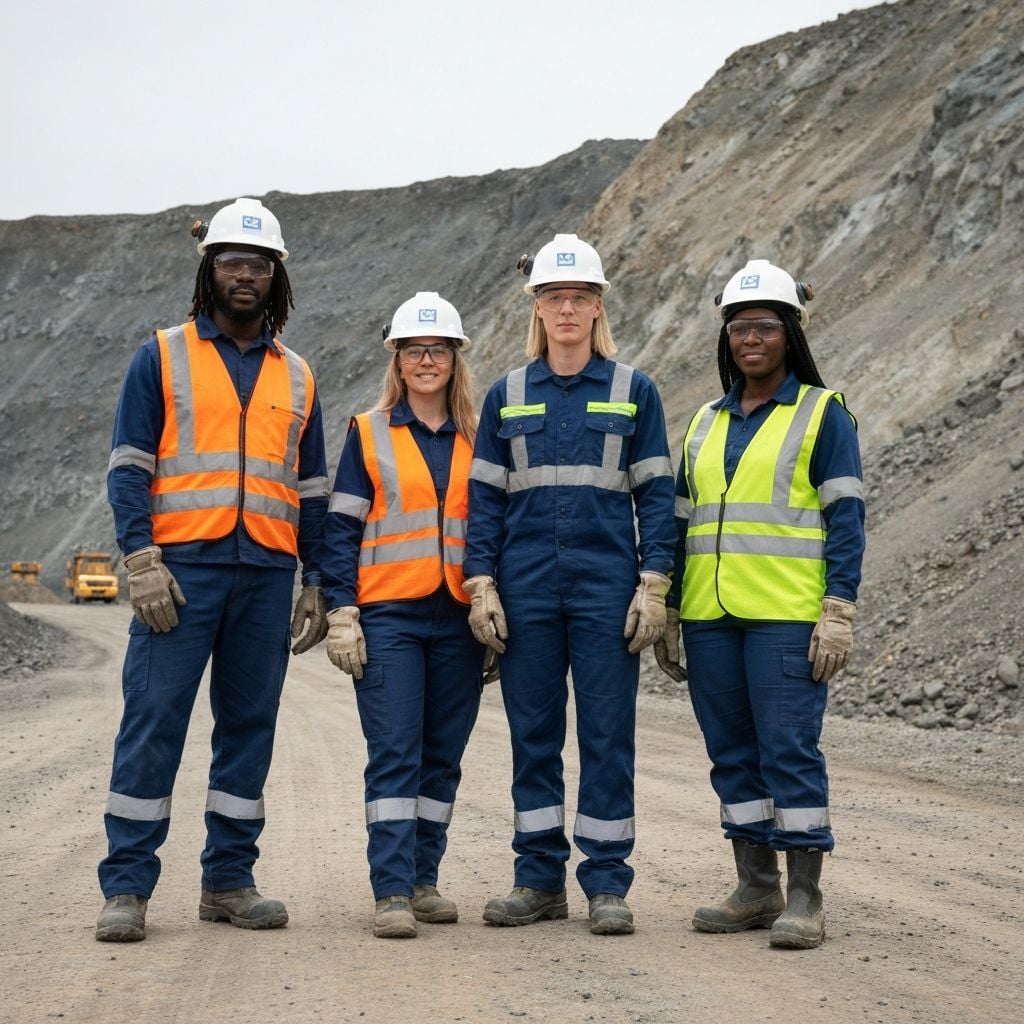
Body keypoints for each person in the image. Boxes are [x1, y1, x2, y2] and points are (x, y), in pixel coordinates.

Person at [96, 198, 330, 942]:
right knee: (153, 723)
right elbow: (128, 468)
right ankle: (127, 888)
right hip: (180, 573)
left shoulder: (298, 376)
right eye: (231, 261)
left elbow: (314, 490)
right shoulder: (160, 356)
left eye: (258, 265)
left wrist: (317, 581)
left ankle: (228, 881)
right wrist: (140, 560)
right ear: (209, 270)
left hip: (264, 573)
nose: (244, 275)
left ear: (276, 277)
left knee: (249, 727)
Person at [464, 234, 676, 936]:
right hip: (525, 590)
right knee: (534, 736)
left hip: (605, 590)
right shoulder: (508, 394)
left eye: (578, 298)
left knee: (608, 736)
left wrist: (655, 582)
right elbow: (485, 502)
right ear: (537, 308)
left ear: (596, 307)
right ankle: (537, 881)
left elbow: (655, 495)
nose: (565, 309)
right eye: (554, 298)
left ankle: (608, 884)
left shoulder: (632, 390)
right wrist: (481, 584)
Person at [653, 258, 865, 949]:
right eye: (740, 327)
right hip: (711, 616)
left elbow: (846, 520)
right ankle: (756, 885)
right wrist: (670, 608)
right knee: (731, 754)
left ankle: (806, 895)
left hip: (785, 615)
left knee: (787, 750)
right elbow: (678, 523)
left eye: (765, 327)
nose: (751, 339)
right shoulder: (705, 422)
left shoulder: (821, 415)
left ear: (790, 335)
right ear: (726, 338)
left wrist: (838, 609)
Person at [321, 292, 485, 939]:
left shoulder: (479, 436)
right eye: (415, 350)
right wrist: (342, 611)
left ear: (454, 358)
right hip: (389, 616)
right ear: (397, 358)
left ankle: (424, 879)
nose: (426, 360)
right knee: (395, 752)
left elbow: (492, 528)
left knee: (442, 755)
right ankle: (390, 890)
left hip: (460, 620)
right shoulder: (369, 432)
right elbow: (341, 530)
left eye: (438, 349)